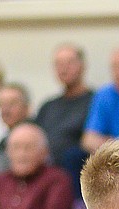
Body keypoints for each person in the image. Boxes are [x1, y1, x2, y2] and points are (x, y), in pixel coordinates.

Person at [34, 44, 94, 180]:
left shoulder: (95, 101)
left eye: (70, 62)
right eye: (59, 64)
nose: (64, 68)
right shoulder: (48, 106)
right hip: (43, 169)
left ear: (82, 66)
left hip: (78, 170)